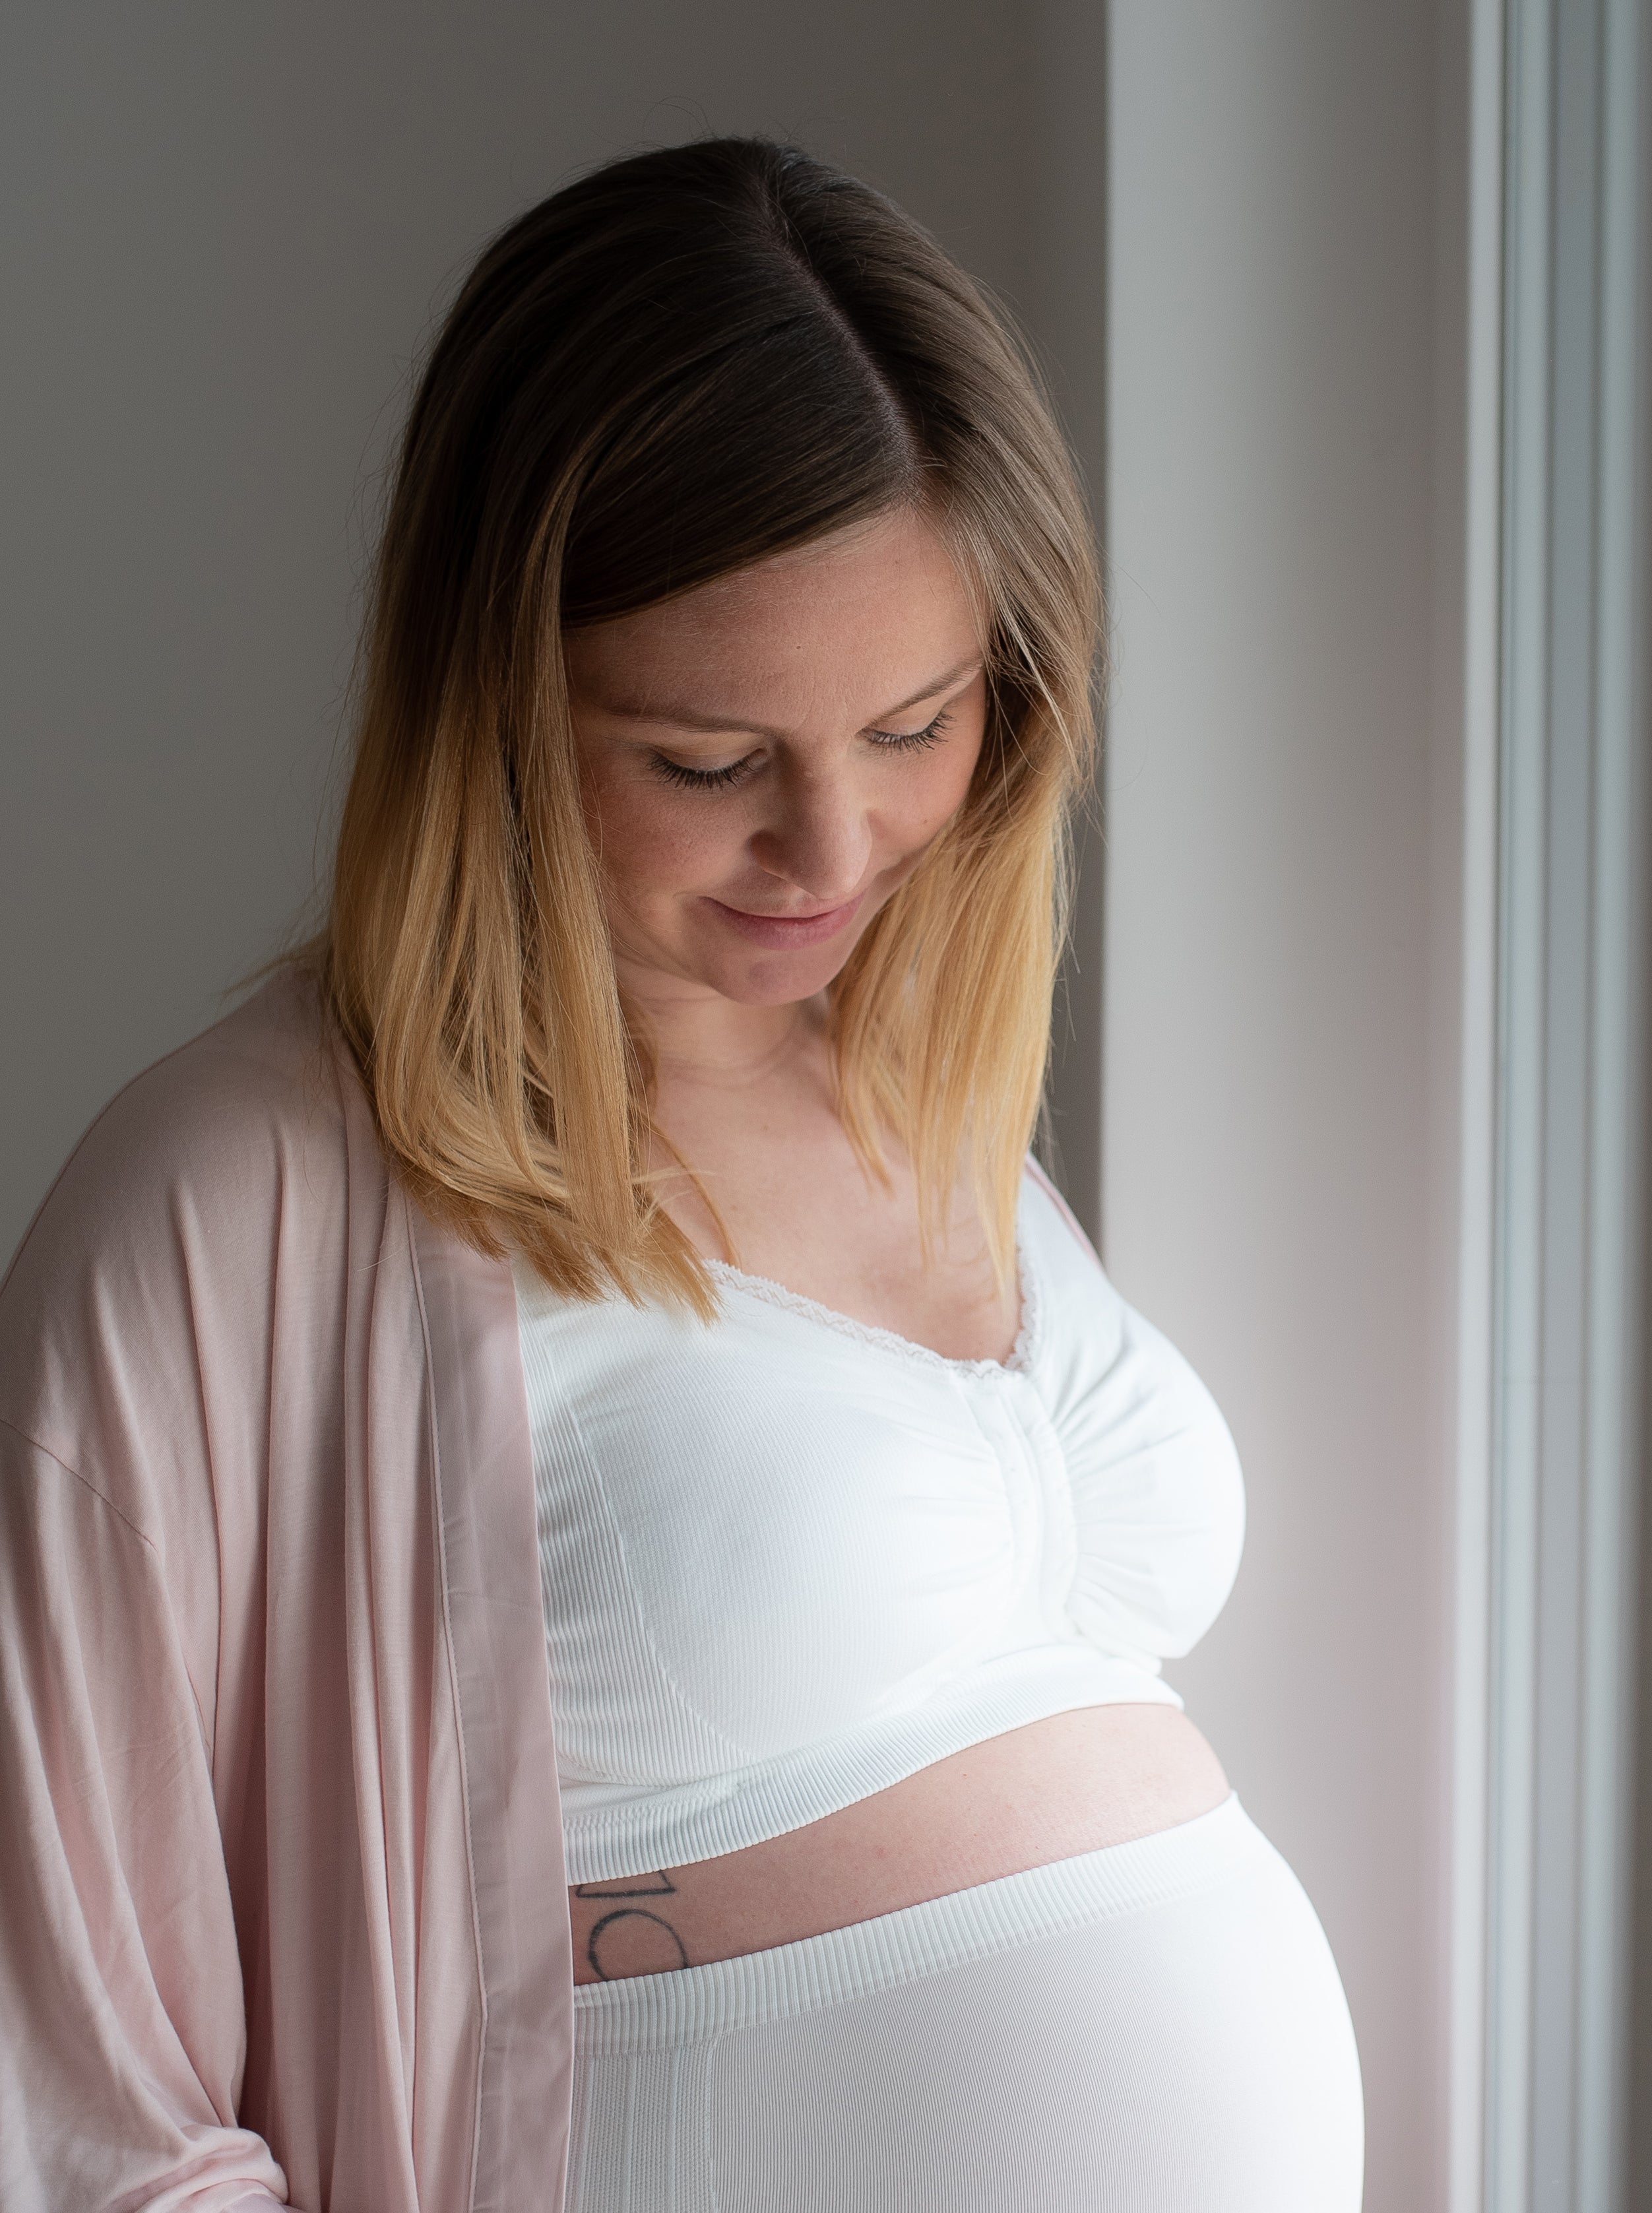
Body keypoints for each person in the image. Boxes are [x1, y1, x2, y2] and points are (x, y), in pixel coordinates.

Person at [0, 137, 1363, 2210]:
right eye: (709, 762)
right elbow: (63, 2085)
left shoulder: (932, 1104)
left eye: (916, 725)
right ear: (491, 706)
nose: (831, 848)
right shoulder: (235, 1197)